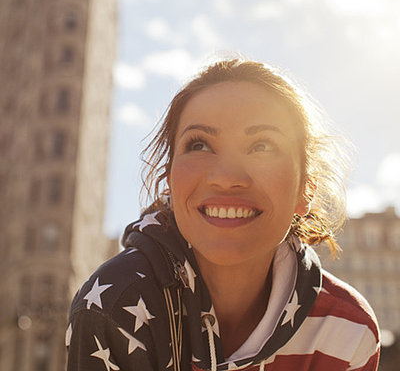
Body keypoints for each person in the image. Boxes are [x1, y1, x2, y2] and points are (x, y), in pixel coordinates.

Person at [66, 58, 380, 371]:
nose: (227, 177)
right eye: (199, 144)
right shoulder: (112, 305)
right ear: (169, 181)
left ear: (305, 189)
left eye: (262, 146)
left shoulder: (347, 330)